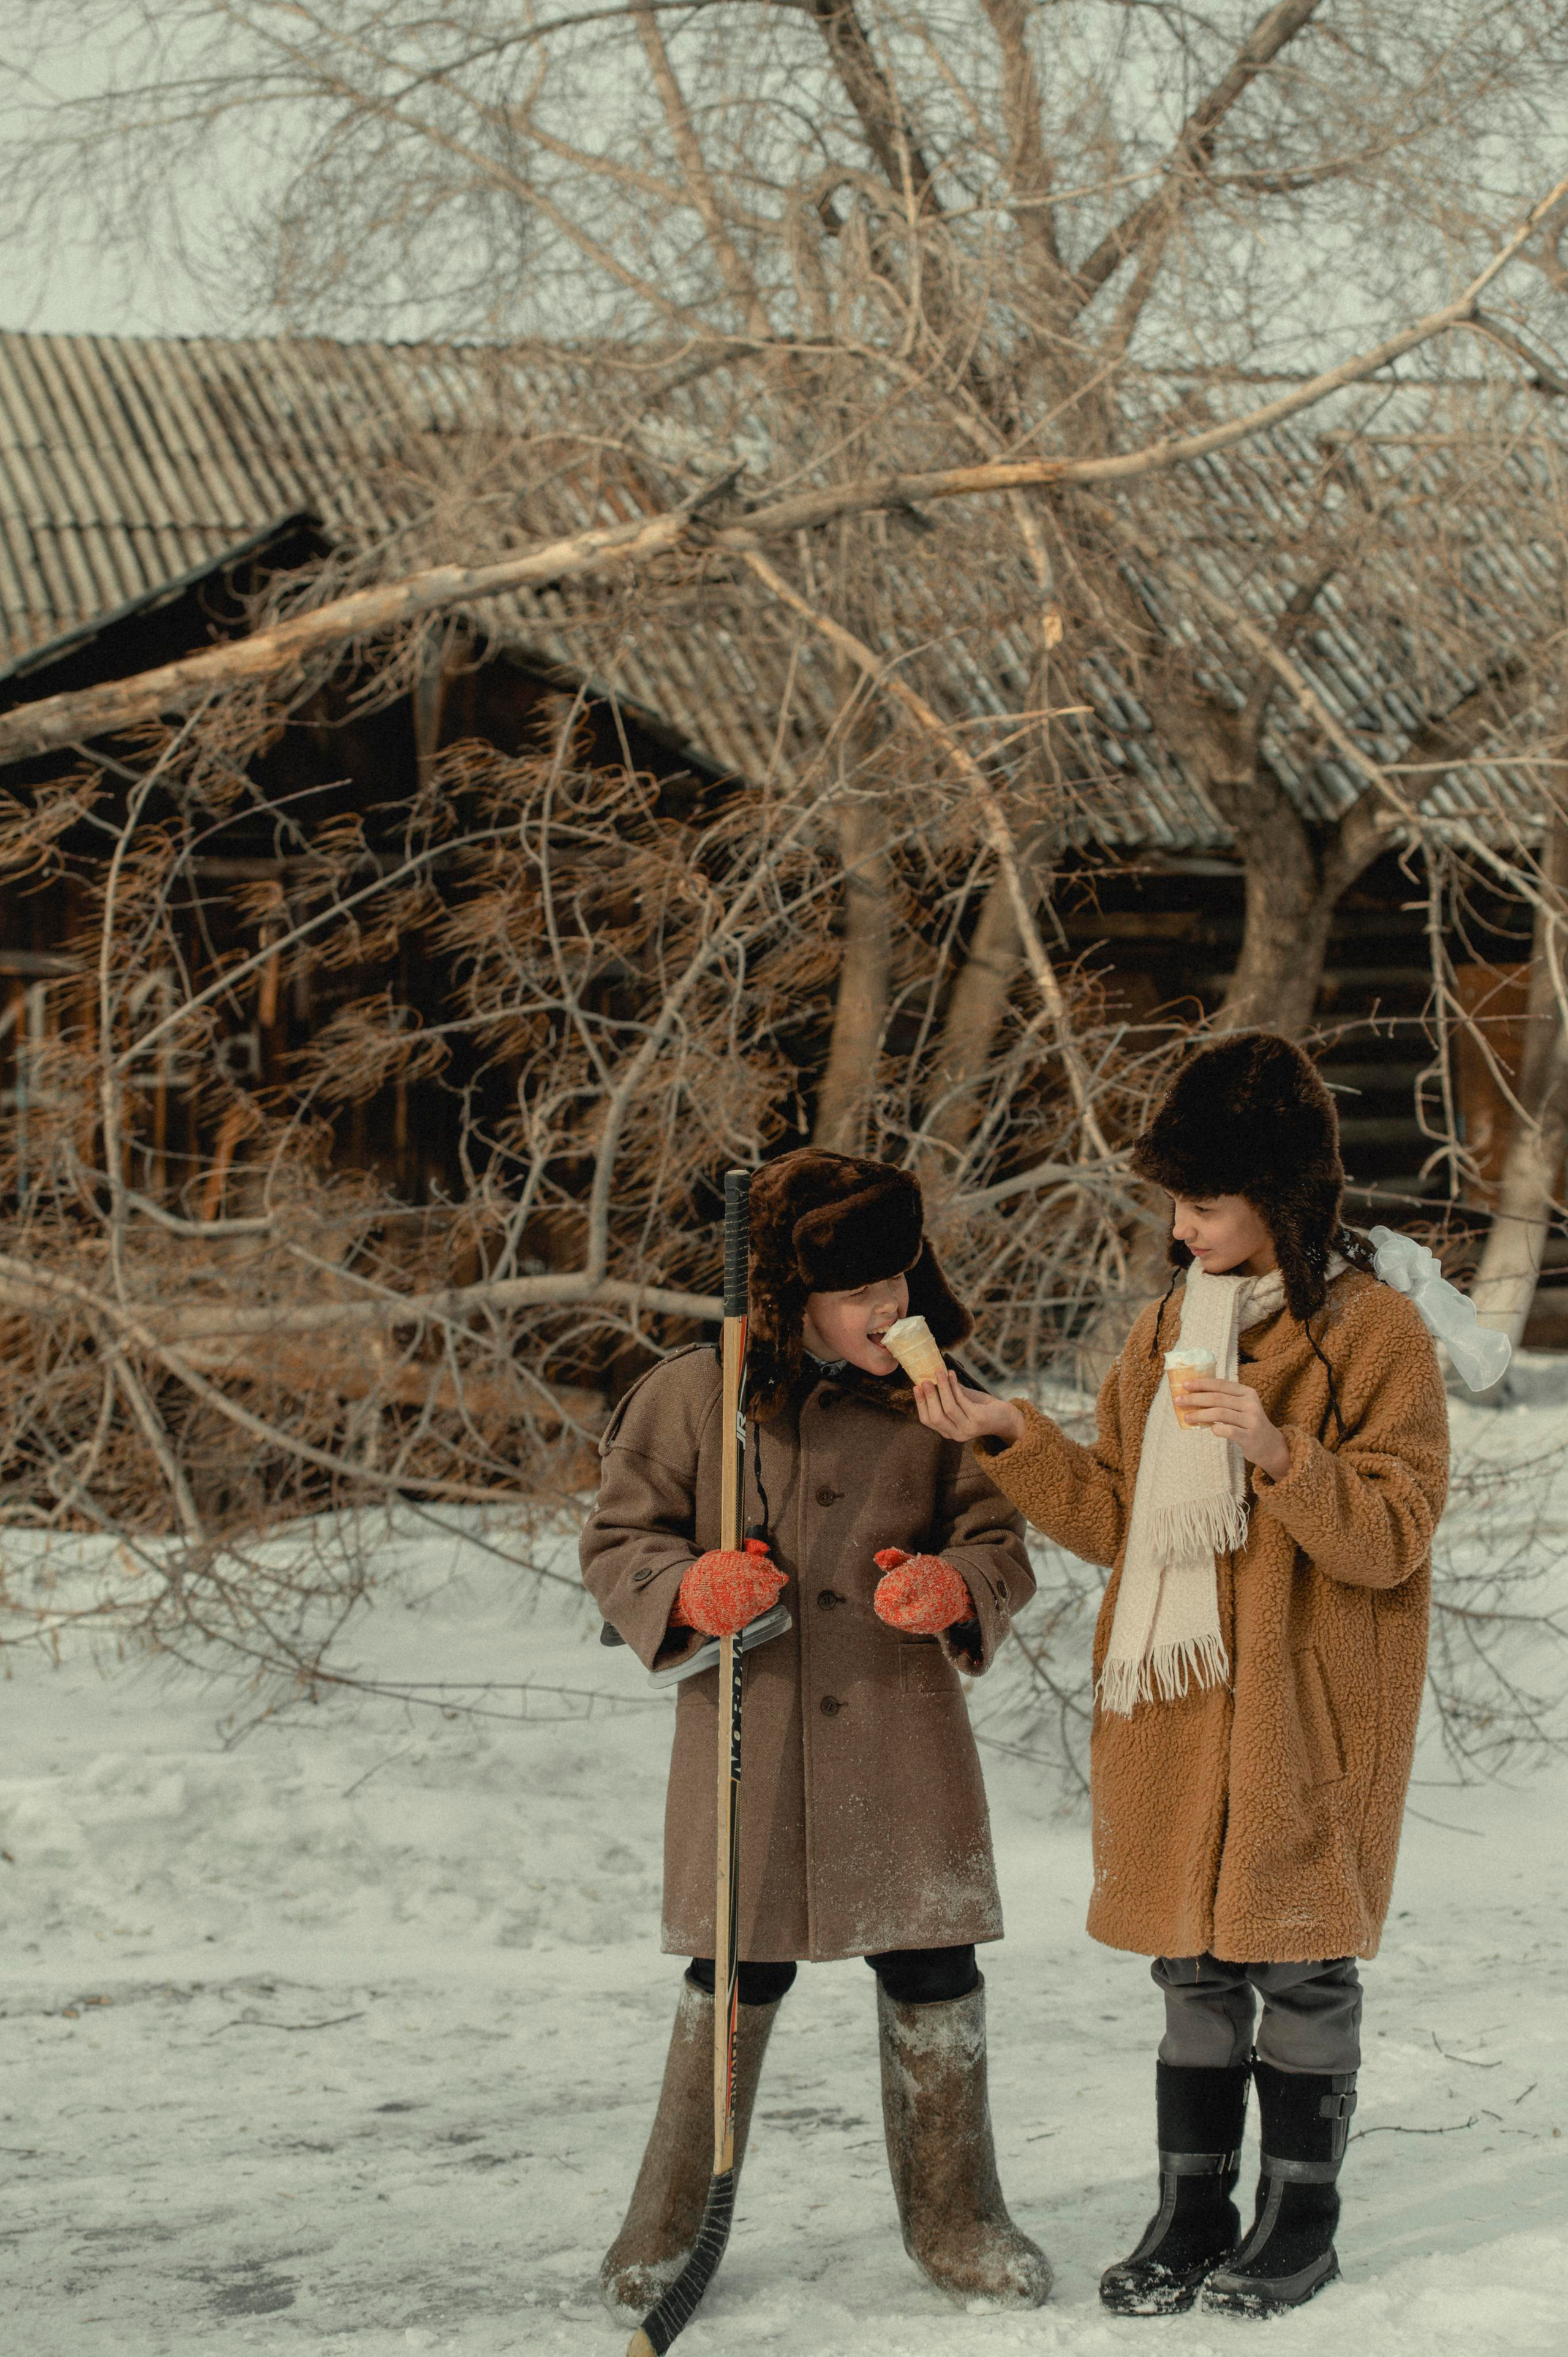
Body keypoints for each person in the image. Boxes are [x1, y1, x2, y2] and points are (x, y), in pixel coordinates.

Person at [913, 1034, 1450, 2318]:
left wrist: (1277, 1451)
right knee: (1191, 1969)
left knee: (1300, 1966)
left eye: (1199, 1204)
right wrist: (1012, 1435)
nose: (1176, 1229)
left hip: (1303, 1713)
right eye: (1172, 1202)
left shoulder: (1373, 1335)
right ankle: (1190, 2207)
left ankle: (1296, 2219)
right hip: (1175, 1710)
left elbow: (1393, 1530)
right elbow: (1114, 1518)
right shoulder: (1162, 1328)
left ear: (1278, 1197)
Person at [582, 1147, 1050, 2321]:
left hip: (902, 1735)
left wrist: (957, 1588)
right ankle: (668, 2228)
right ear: (794, 1299)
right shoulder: (696, 1394)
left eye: (900, 1280)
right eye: (859, 1294)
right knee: (733, 1969)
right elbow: (617, 1542)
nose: (889, 1309)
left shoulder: (942, 1400)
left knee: (935, 1960)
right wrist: (691, 1589)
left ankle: (959, 2221)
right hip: (758, 1729)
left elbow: (1002, 1542)